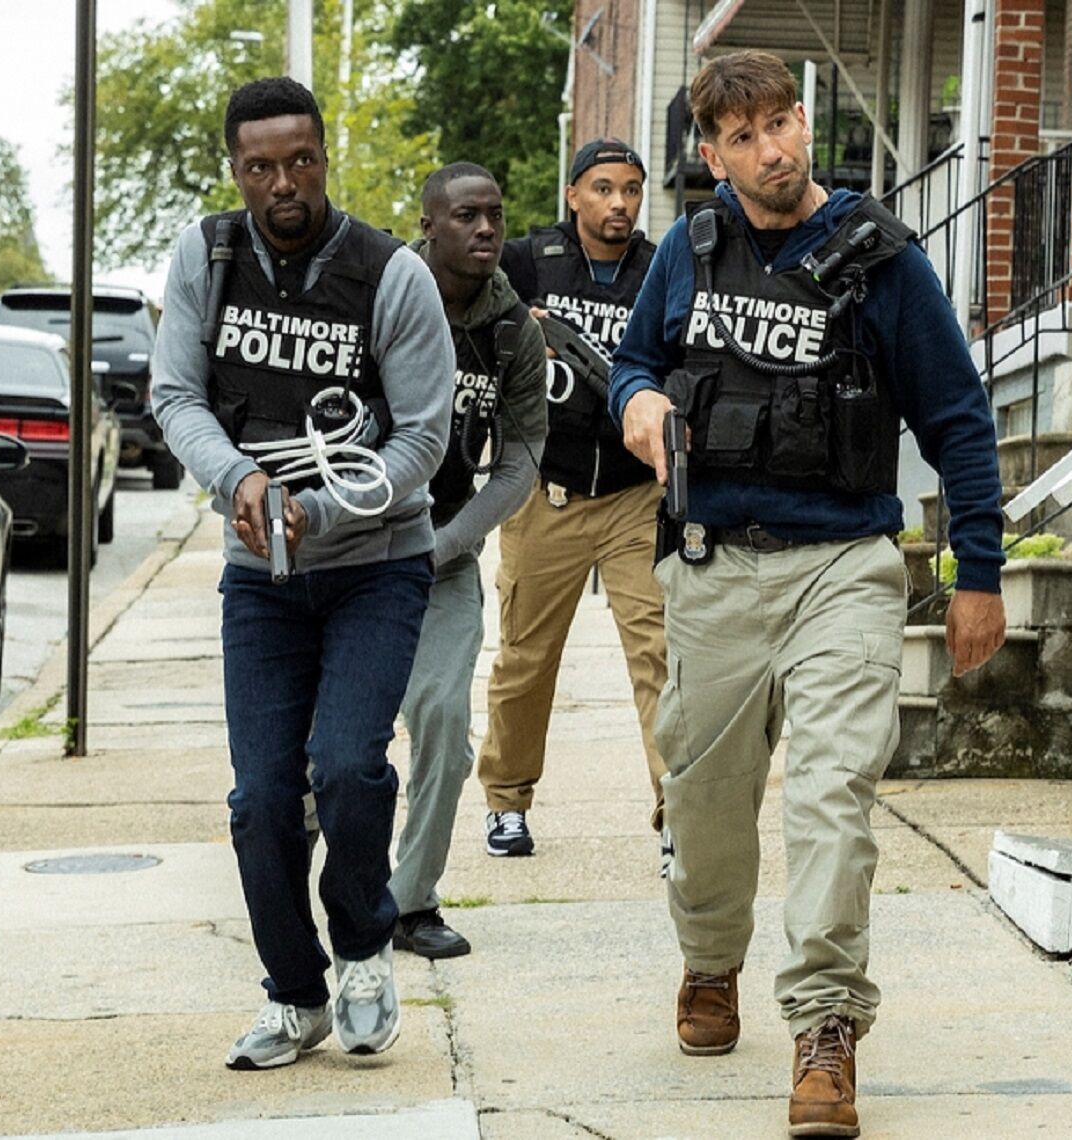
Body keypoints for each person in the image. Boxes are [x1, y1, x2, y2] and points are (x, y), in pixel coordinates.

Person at [610, 50, 1007, 1138]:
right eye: (743, 137)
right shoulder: (690, 250)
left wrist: (978, 570)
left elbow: (958, 419)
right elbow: (634, 362)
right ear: (714, 156)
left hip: (843, 566)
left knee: (833, 795)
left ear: (801, 119)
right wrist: (637, 401)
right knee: (704, 799)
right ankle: (709, 959)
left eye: (781, 123)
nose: (771, 150)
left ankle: (826, 1024)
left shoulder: (882, 260)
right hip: (712, 565)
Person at [150, 76, 453, 1070]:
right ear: (236, 170)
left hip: (377, 565)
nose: (283, 183)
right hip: (261, 576)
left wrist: (319, 508)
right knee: (262, 800)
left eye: (301, 161)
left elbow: (424, 440)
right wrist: (238, 478)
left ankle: (363, 947)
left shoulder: (391, 274)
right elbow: (175, 395)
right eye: (260, 166)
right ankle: (295, 995)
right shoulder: (207, 256)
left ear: (325, 157)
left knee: (349, 766)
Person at [477, 138, 671, 871]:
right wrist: (512, 329)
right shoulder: (528, 261)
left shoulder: (661, 267)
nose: (619, 203)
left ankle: (678, 815)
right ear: (573, 195)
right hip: (546, 492)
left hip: (635, 496)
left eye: (631, 189)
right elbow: (462, 307)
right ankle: (506, 801)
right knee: (525, 660)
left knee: (660, 657)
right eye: (603, 188)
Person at [389, 162, 549, 959]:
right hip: (349, 552)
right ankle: (308, 894)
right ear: (429, 225)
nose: (486, 228)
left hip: (441, 556)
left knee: (446, 727)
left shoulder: (514, 330)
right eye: (465, 215)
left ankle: (410, 903)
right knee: (327, 752)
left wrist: (445, 544)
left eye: (495, 215)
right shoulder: (380, 296)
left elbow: (520, 466)